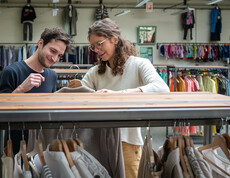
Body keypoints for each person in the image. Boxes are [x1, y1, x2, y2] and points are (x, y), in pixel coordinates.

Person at [81, 18, 170, 178]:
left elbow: (162, 89)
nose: (96, 50)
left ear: (114, 39)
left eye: (99, 44)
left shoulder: (139, 64)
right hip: (99, 142)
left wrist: (117, 95)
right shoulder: (94, 72)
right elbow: (79, 95)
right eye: (93, 46)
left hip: (128, 142)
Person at [0, 27, 73, 154]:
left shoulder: (52, 76)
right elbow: (2, 109)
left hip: (43, 144)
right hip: (16, 144)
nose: (55, 59)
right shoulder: (11, 71)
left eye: (59, 55)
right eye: (52, 51)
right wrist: (21, 89)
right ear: (40, 43)